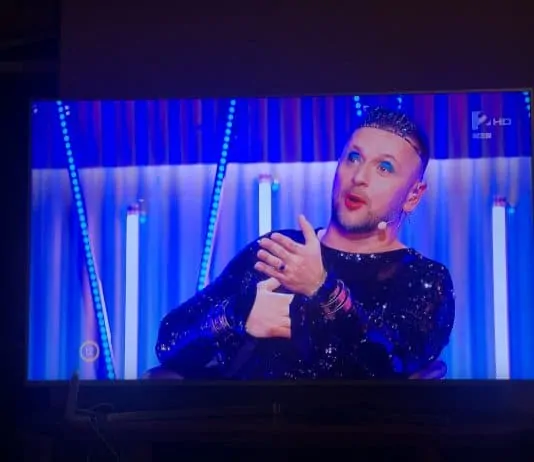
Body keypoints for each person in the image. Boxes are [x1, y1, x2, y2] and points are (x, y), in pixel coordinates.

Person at [153, 106, 455, 381]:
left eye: (384, 168)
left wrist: (322, 288)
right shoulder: (279, 250)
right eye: (353, 158)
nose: (359, 177)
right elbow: (168, 342)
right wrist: (239, 314)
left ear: (413, 195)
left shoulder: (424, 277)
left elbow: (389, 365)